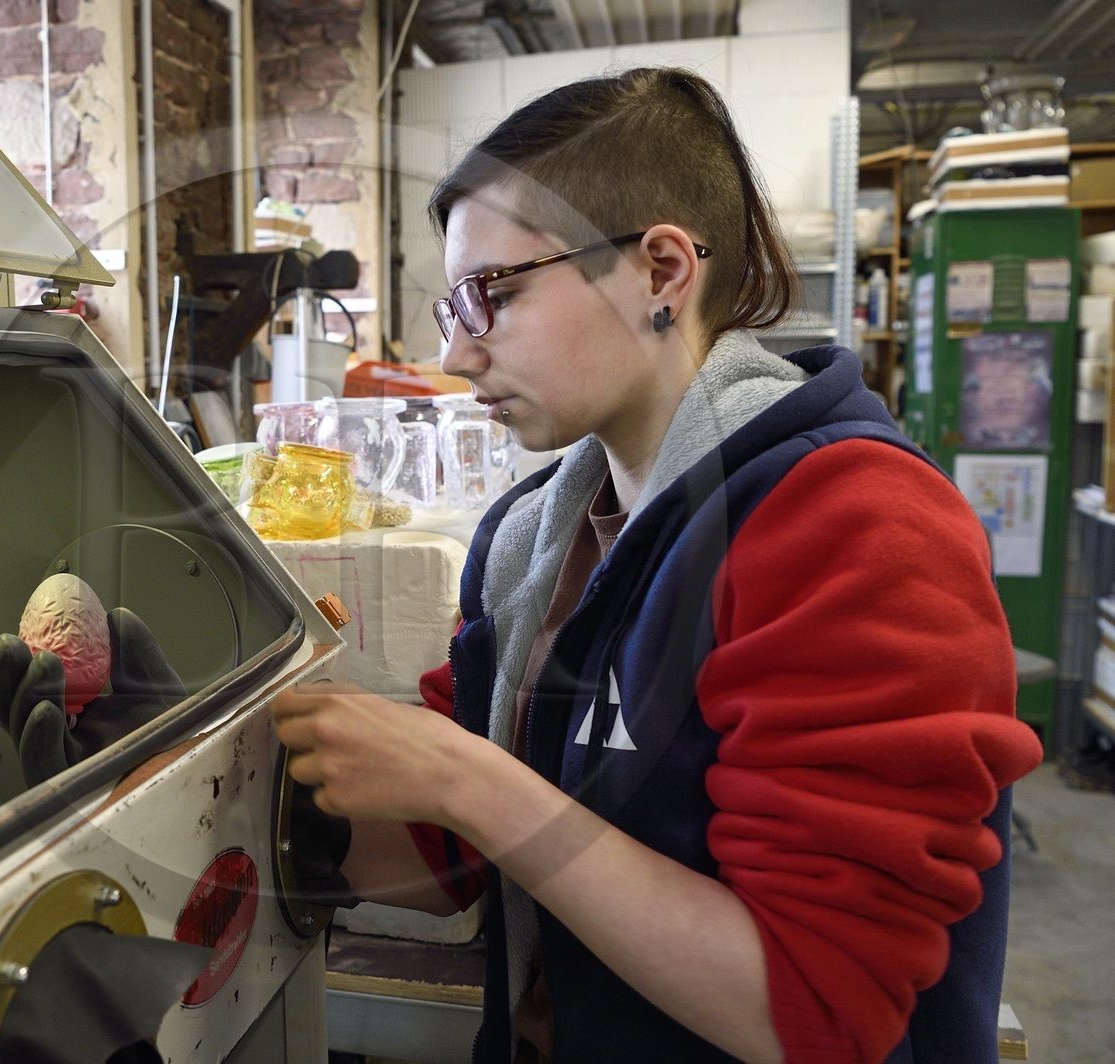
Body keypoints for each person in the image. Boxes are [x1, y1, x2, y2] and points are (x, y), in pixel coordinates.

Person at [271, 67, 1043, 1064]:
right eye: (448, 308)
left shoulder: (856, 527)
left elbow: (814, 1011)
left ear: (662, 273)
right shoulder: (530, 539)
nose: (459, 354)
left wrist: (471, 781)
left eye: (489, 296)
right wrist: (248, 774)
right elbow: (457, 854)